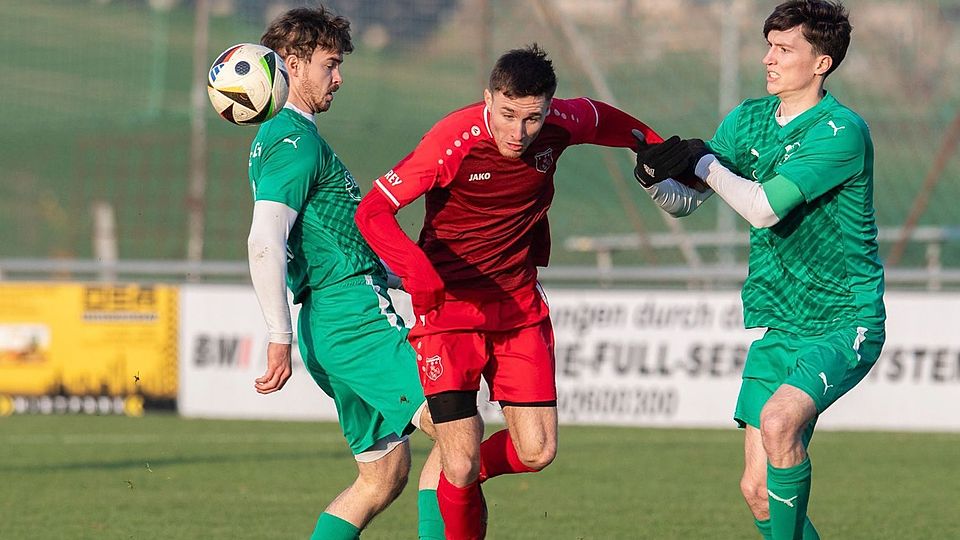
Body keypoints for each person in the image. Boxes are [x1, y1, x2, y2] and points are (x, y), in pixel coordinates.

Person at [354, 44, 663, 539]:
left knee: (536, 452)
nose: (518, 133)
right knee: (456, 460)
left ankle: (459, 480)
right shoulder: (450, 140)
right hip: (449, 312)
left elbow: (603, 118)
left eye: (533, 119)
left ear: (549, 108)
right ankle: (457, 480)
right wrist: (415, 268)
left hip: (519, 309)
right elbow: (371, 211)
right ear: (487, 99)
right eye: (507, 115)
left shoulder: (562, 121)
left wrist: (653, 144)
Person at [635, 2, 885, 539]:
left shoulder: (840, 131)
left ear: (821, 63)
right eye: (768, 45)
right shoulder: (747, 118)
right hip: (781, 323)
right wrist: (655, 177)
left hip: (844, 321)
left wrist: (703, 162)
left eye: (784, 49)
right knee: (757, 493)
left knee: (778, 423)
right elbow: (690, 201)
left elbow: (762, 207)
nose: (768, 59)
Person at [245, 7, 444, 540]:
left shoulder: (286, 138)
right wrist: (277, 336)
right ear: (291, 63)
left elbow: (329, 239)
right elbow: (264, 240)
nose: (340, 77)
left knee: (381, 478)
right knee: (457, 431)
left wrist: (407, 275)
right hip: (351, 317)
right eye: (330, 64)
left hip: (331, 321)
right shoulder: (294, 139)